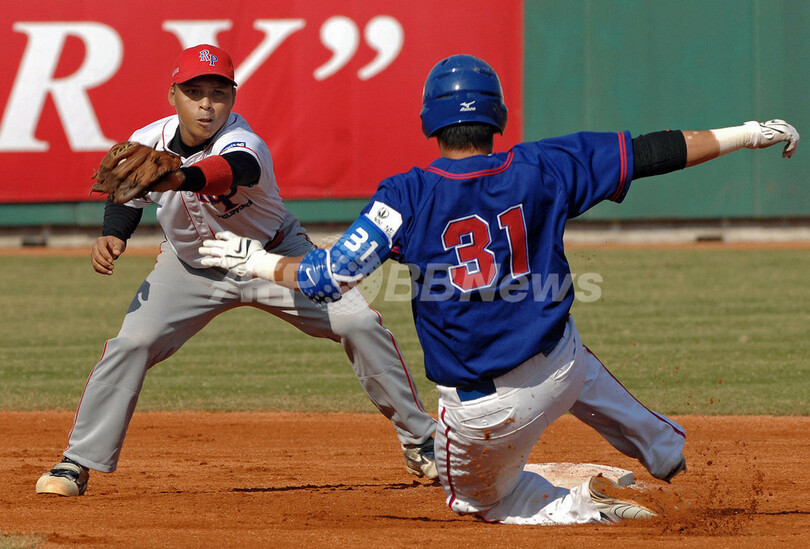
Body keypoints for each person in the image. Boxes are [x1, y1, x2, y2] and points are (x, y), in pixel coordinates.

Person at [197, 54, 799, 524]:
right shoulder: (546, 164)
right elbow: (652, 152)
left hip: (486, 409)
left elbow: (325, 279)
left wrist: (253, 260)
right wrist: (745, 133)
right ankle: (661, 446)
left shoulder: (406, 193)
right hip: (561, 367)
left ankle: (585, 504)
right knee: (568, 350)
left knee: (477, 505)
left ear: (430, 118)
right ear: (496, 115)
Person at [35, 44, 438, 497]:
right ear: (174, 95)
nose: (207, 104)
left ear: (233, 97)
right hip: (190, 267)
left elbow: (233, 170)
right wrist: (115, 234)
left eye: (218, 92)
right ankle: (77, 463)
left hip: (274, 257)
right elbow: (126, 194)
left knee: (359, 322)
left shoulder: (244, 141)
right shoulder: (148, 140)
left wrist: (180, 179)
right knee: (132, 342)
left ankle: (422, 440)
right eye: (194, 91)